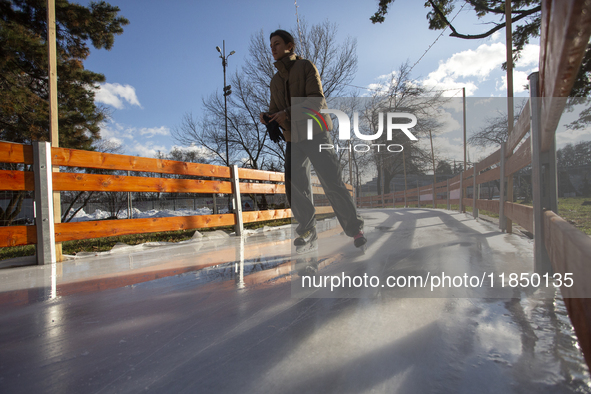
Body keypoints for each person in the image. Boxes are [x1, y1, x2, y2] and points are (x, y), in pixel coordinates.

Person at [259, 29, 366, 251]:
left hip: (316, 131)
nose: (273, 48)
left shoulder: (305, 66)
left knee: (331, 181)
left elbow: (317, 101)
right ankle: (307, 230)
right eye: (271, 45)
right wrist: (268, 118)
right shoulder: (275, 81)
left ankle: (355, 229)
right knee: (296, 186)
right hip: (293, 137)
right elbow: (275, 110)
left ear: (290, 46)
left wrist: (286, 113)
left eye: (277, 44)